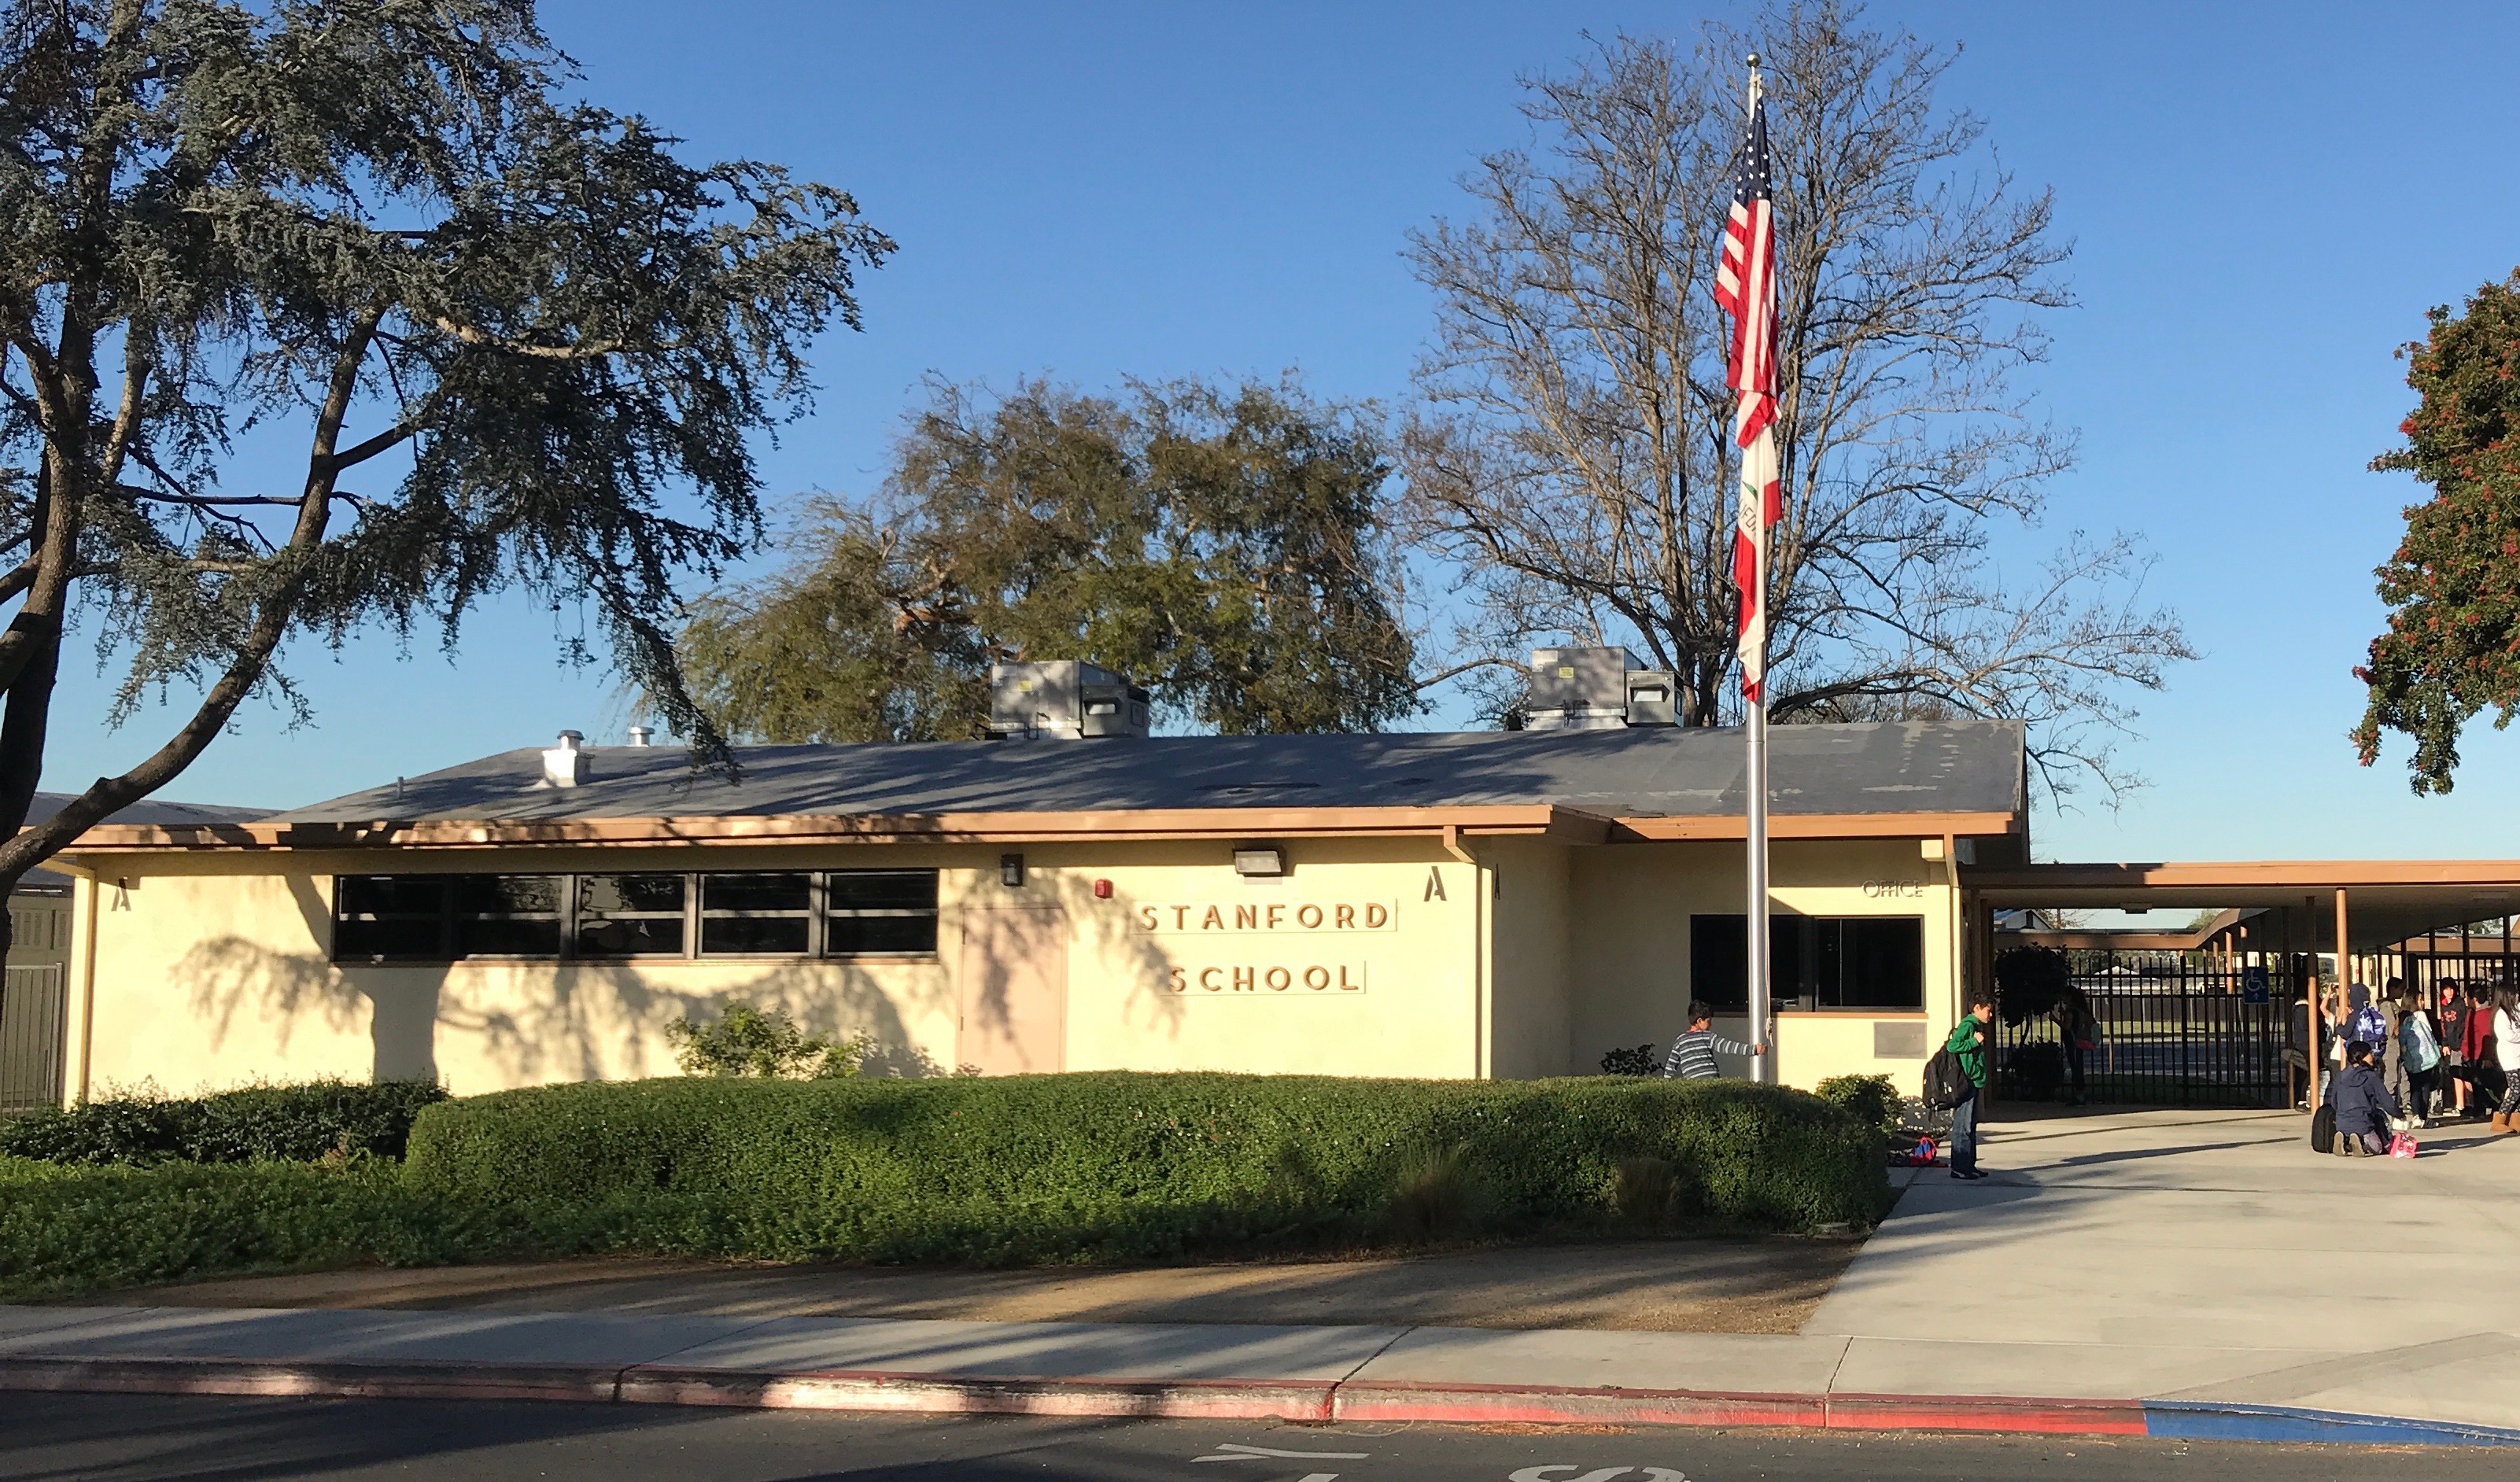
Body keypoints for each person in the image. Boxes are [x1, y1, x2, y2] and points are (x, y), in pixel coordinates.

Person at [1944, 995, 1994, 1180]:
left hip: (1974, 1081)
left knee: (1970, 1126)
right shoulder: (1968, 1025)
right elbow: (1953, 1046)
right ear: (1977, 1008)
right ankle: (1959, 1167)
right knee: (1962, 1126)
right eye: (1988, 1010)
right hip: (1967, 1081)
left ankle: (1969, 1165)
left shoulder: (1976, 1026)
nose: (1990, 1015)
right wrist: (1974, 1041)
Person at [2325, 1041, 2400, 1156]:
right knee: (2378, 1148)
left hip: (2341, 1122)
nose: (2372, 1056)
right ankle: (2361, 1142)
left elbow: (2333, 1102)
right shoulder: (2370, 1076)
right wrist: (2399, 1114)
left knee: (2350, 1129)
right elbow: (2387, 1102)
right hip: (2362, 1123)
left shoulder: (2341, 1076)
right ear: (2362, 1056)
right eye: (2370, 1053)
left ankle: (2344, 1140)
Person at [1660, 1001, 1767, 1080]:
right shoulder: (1708, 1037)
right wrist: (1753, 1049)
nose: (1710, 1024)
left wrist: (1666, 1085)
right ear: (1699, 1020)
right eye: (1708, 1021)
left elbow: (1670, 1066)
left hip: (1692, 1083)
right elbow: (1728, 1046)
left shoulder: (1680, 1041)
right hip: (1711, 1080)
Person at [2393, 985, 2442, 1127]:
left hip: (2410, 1060)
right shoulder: (2420, 1015)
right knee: (2425, 1087)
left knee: (2414, 1087)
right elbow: (2429, 1036)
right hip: (2424, 1057)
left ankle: (2415, 1116)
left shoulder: (2402, 1017)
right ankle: (2423, 1116)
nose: (2423, 1003)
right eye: (2421, 999)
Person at [2052, 989, 2101, 1105]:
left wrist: (2055, 1020)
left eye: (2065, 997)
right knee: (2079, 1065)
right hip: (2079, 1041)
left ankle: (2079, 1094)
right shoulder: (2081, 1010)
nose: (2063, 999)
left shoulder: (2071, 1011)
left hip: (2072, 1041)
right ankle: (2080, 1094)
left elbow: (2067, 1026)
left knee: (2075, 1067)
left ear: (2070, 998)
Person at [2463, 981, 2502, 1118]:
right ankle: (2479, 1107)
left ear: (2474, 999)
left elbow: (2488, 1037)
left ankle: (2484, 1107)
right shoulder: (2472, 1013)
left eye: (2467, 997)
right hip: (2472, 1054)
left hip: (2480, 1054)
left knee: (2481, 1084)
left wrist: (2487, 1057)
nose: (2465, 1000)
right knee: (2475, 1083)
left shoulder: (2484, 1014)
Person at [2493, 987, 2520, 1134]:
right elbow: (2509, 1036)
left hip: (2518, 1055)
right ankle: (2500, 1118)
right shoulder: (2501, 1015)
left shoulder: (2515, 1013)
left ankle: (2516, 1119)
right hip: (2509, 1057)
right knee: (2516, 1089)